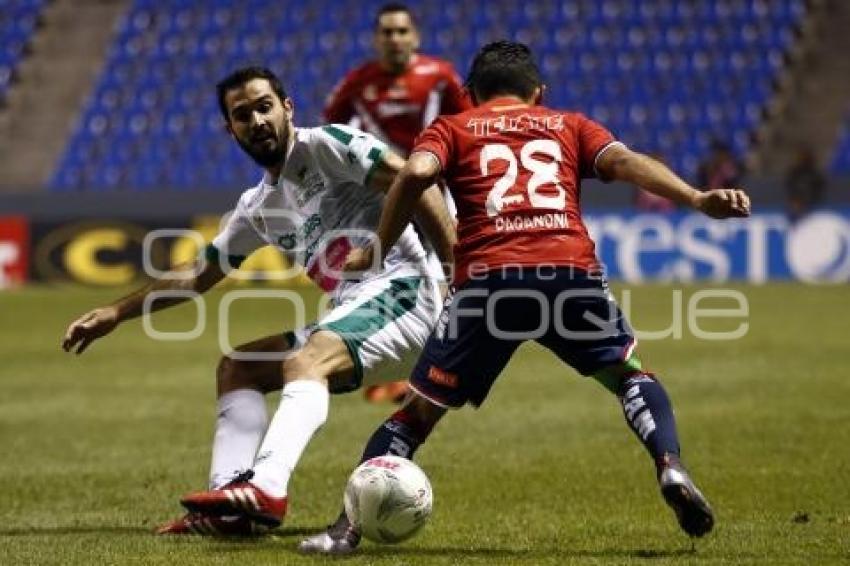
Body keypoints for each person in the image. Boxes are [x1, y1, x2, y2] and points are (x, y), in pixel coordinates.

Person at [299, 41, 752, 554]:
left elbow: (418, 173)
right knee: (630, 377)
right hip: (568, 274)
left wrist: (378, 247)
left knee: (416, 414)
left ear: (468, 94)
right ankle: (669, 465)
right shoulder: (568, 124)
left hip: (487, 283)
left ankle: (347, 529)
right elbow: (624, 161)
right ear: (538, 92)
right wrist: (695, 197)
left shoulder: (453, 127)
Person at [61, 66, 456, 535]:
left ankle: (267, 486)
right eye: (242, 115)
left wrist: (456, 274)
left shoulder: (326, 146)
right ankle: (231, 507)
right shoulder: (258, 206)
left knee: (306, 360)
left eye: (264, 106)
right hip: (360, 312)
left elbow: (415, 177)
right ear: (231, 130)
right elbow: (197, 273)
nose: (257, 121)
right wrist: (116, 312)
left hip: (409, 293)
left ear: (287, 108)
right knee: (240, 366)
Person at [324, 2, 472, 402]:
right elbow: (331, 128)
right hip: (381, 201)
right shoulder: (358, 81)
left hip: (432, 195)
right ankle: (381, 370)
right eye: (387, 32)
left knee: (442, 281)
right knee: (376, 281)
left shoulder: (439, 75)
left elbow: (467, 124)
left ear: (415, 37)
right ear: (376, 39)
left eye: (401, 31)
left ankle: (432, 374)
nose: (394, 39)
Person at [785, 146, 825, 221]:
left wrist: (809, 198)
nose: (802, 159)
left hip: (810, 199)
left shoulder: (814, 174)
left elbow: (819, 186)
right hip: (797, 197)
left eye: (805, 157)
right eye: (801, 157)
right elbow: (789, 185)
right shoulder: (794, 172)